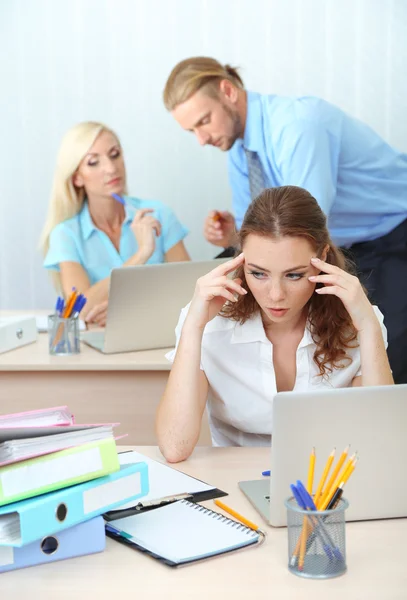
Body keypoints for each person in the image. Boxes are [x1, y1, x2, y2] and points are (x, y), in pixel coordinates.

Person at [163, 56, 407, 384]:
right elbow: (260, 231)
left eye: (204, 121)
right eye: (192, 130)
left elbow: (302, 228)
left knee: (387, 351)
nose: (201, 139)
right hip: (341, 244)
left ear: (228, 92)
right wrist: (229, 237)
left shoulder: (298, 126)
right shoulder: (238, 149)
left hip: (394, 234)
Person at [156, 186, 393, 463]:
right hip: (233, 483)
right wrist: (192, 326)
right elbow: (175, 447)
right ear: (240, 259)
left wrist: (368, 326)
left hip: (327, 487)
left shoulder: (358, 322)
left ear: (323, 258)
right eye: (258, 273)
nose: (276, 295)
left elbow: (382, 445)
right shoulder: (210, 324)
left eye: (294, 275)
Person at [41, 121, 190, 326]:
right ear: (77, 178)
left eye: (115, 155)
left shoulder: (159, 215)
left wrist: (127, 311)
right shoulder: (65, 234)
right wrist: (141, 254)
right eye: (94, 162)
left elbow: (189, 293)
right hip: (96, 345)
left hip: (159, 337)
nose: (111, 168)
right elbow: (79, 309)